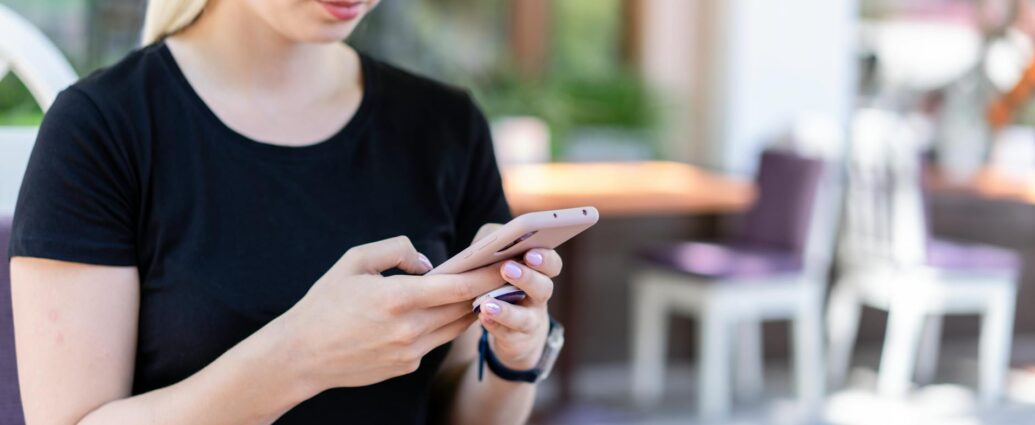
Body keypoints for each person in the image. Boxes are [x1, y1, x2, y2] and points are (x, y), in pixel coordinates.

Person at [8, 0, 563, 423]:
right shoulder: (102, 128)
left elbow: (456, 406)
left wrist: (515, 353)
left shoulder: (446, 127)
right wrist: (300, 357)